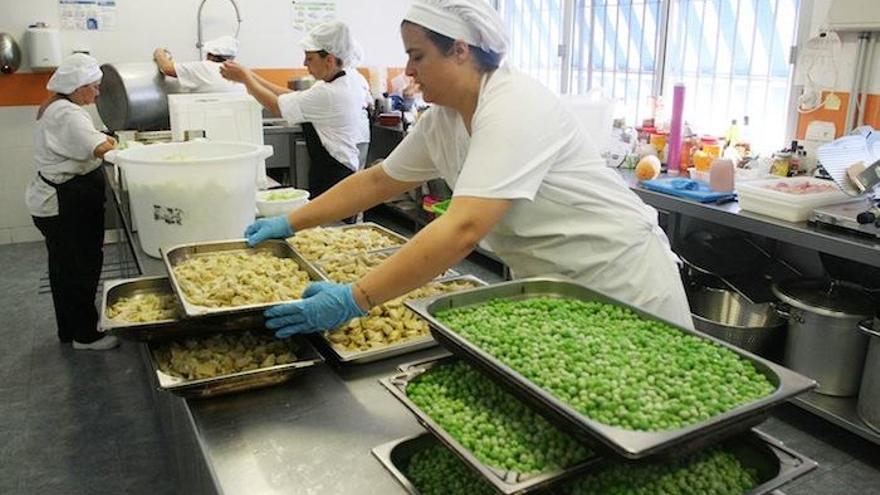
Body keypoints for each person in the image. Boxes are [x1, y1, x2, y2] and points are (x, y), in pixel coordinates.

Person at [245, 0, 693, 337]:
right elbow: (380, 180)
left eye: (417, 56)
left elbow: (463, 229)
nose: (408, 71)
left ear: (460, 50)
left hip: (620, 282)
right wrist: (290, 222)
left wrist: (356, 298)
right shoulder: (444, 119)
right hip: (554, 289)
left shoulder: (514, 105)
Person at [25, 54, 119, 350]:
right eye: (94, 86)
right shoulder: (68, 114)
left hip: (58, 199)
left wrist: (106, 140)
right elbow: (101, 148)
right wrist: (117, 146)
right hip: (65, 201)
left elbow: (93, 139)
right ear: (79, 87)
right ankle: (86, 336)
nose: (98, 92)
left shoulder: (59, 105)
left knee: (65, 268)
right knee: (80, 267)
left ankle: (70, 329)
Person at [220, 21, 371, 200]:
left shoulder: (330, 93)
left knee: (331, 225)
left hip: (333, 174)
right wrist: (252, 76)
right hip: (340, 169)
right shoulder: (344, 79)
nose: (304, 63)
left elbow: (277, 107)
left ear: (329, 60)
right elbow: (295, 96)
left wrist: (245, 79)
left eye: (309, 58)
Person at [154, 35, 244, 93]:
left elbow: (167, 68)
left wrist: (159, 52)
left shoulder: (205, 67)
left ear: (211, 56)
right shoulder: (240, 73)